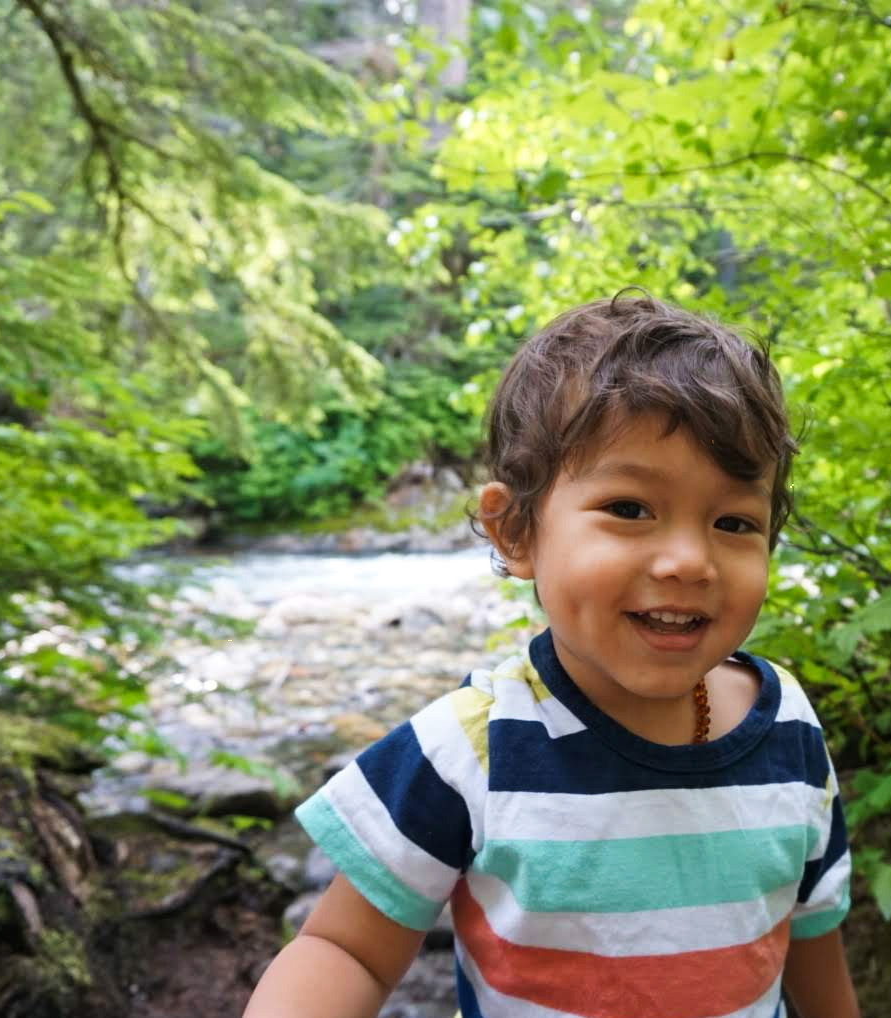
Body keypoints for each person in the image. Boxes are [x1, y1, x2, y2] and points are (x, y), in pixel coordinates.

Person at [243, 292, 859, 1018]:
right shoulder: (475, 747)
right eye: (630, 509)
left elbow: (811, 941)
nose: (690, 561)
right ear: (516, 533)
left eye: (734, 522)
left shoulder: (787, 726)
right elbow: (344, 950)